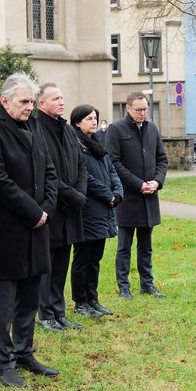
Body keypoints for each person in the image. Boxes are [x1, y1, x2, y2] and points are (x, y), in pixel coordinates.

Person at [0, 73, 60, 387]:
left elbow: (50, 171)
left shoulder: (34, 127)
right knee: (4, 304)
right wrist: (33, 212)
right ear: (4, 100)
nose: (29, 108)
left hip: (36, 229)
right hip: (5, 233)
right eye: (24, 102)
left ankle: (24, 352)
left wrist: (46, 210)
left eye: (32, 102)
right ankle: (3, 361)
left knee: (29, 298)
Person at [32, 82, 89, 332]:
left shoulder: (66, 129)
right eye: (55, 98)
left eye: (62, 97)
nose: (61, 102)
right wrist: (70, 195)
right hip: (51, 206)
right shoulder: (35, 129)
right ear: (41, 103)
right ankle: (45, 313)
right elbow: (46, 173)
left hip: (71, 208)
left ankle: (59, 311)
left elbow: (81, 165)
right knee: (48, 263)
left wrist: (80, 193)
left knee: (63, 262)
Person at [106, 91, 167, 299]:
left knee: (146, 245)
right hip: (128, 197)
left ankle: (147, 284)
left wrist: (157, 182)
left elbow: (162, 159)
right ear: (128, 108)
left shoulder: (152, 129)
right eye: (139, 110)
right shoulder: (116, 129)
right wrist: (138, 184)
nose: (143, 113)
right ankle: (124, 286)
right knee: (124, 246)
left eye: (145, 109)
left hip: (149, 196)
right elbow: (114, 163)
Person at [69, 104, 121, 317]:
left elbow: (111, 170)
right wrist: (107, 194)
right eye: (89, 118)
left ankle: (93, 298)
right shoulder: (75, 145)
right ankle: (81, 302)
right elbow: (85, 178)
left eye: (95, 118)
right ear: (77, 122)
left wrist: (117, 192)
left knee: (96, 258)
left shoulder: (97, 144)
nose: (94, 122)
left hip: (104, 209)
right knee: (83, 258)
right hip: (88, 209)